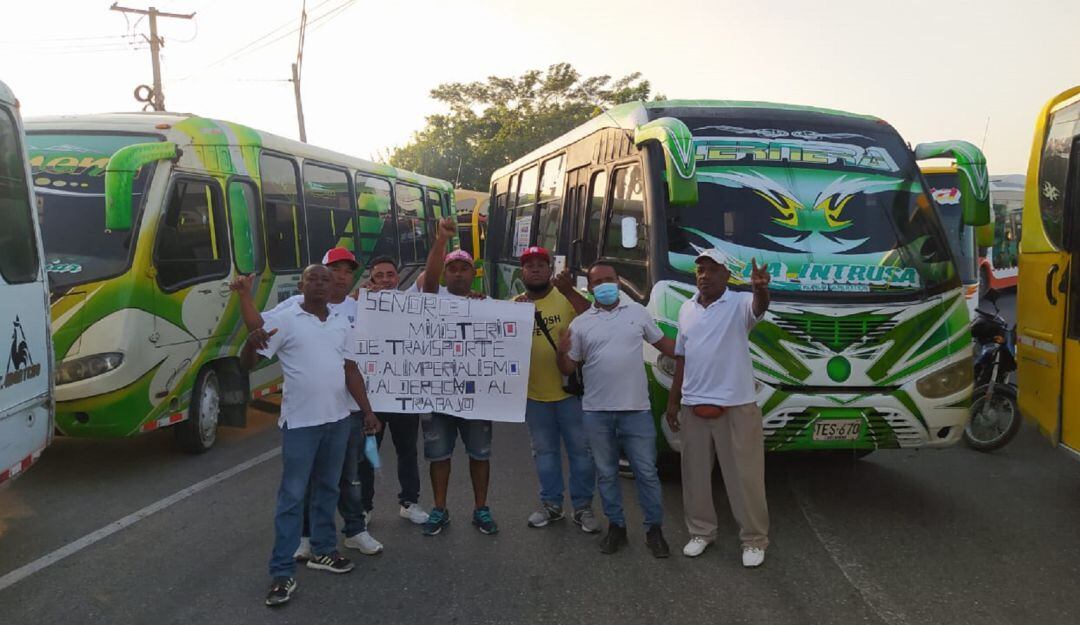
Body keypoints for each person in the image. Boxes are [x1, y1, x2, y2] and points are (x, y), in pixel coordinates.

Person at [240, 264, 381, 607]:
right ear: (301, 285)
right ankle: (282, 571)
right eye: (312, 279)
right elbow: (249, 363)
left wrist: (367, 410)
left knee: (328, 490)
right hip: (301, 425)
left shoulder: (340, 322)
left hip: (338, 421)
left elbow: (350, 369)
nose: (319, 284)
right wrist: (249, 344)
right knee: (292, 496)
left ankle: (323, 550)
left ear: (334, 287)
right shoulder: (287, 320)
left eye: (325, 280)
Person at [557, 261, 676, 557]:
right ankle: (617, 527)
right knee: (607, 473)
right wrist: (561, 351)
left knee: (646, 472)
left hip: (636, 411)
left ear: (619, 282)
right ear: (590, 287)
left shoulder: (638, 313)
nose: (604, 285)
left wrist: (700, 347)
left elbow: (666, 345)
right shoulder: (581, 323)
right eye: (598, 282)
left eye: (609, 279)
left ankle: (654, 530)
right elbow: (568, 367)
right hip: (596, 413)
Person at [664, 250, 772, 568]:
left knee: (744, 478)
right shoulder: (686, 308)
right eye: (700, 270)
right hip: (693, 404)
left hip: (736, 405)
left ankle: (753, 540)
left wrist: (761, 289)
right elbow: (682, 356)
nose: (705, 276)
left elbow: (759, 307)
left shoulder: (740, 303)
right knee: (694, 475)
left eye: (713, 270)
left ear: (727, 275)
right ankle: (701, 532)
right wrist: (673, 400)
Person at [417, 217, 497, 536]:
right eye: (453, 269)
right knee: (439, 456)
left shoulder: (486, 305)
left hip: (475, 396)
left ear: (473, 273)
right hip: (437, 395)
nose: (459, 273)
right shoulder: (433, 298)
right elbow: (430, 277)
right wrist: (441, 240)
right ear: (445, 274)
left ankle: (481, 509)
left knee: (480, 455)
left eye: (465, 269)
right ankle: (440, 508)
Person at [514, 246, 599, 532]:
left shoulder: (566, 298)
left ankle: (583, 508)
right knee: (544, 454)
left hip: (570, 395)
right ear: (522, 272)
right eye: (529, 265)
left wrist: (571, 291)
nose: (535, 269)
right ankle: (552, 505)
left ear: (550, 270)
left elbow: (595, 317)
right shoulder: (514, 305)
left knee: (581, 453)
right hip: (534, 397)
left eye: (541, 264)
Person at [354, 255, 429, 526]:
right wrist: (359, 296)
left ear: (398, 277)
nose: (385, 280)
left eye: (390, 275)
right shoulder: (359, 303)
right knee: (367, 454)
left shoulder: (409, 300)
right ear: (370, 278)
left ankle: (409, 502)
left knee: (407, 451)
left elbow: (428, 276)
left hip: (403, 395)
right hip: (371, 397)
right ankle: (364, 507)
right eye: (379, 275)